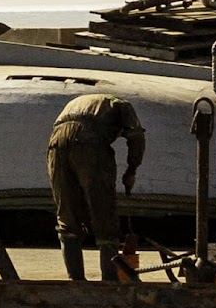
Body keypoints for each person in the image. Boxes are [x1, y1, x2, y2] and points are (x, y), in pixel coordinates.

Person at [49, 89, 147, 282]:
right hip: (90, 142)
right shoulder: (122, 105)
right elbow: (137, 138)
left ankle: (75, 281)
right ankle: (109, 281)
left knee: (67, 215)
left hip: (56, 144)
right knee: (104, 213)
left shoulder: (78, 101)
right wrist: (132, 170)